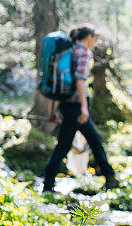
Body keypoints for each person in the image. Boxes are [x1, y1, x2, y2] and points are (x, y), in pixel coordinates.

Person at [42, 25, 120, 192]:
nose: (96, 42)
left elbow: (57, 86)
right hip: (76, 107)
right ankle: (48, 186)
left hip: (66, 105)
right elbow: (80, 80)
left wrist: (52, 111)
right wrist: (84, 108)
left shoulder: (69, 50)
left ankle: (110, 177)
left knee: (93, 140)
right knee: (65, 145)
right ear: (89, 37)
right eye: (95, 38)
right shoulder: (82, 52)